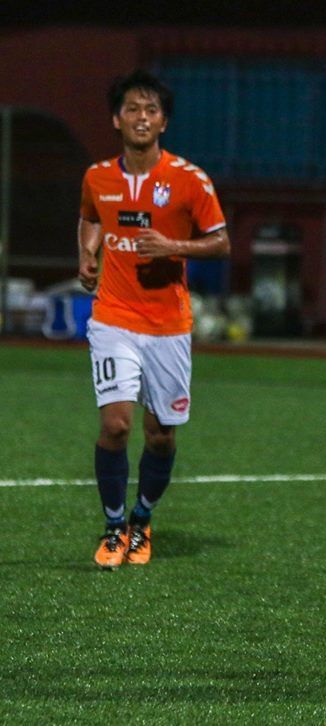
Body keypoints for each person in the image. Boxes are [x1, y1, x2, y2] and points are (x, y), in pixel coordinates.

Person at [78, 69, 230, 570]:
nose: (141, 118)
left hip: (168, 325)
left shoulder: (189, 179)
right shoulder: (98, 176)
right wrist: (87, 253)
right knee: (117, 426)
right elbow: (91, 215)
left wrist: (173, 247)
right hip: (113, 317)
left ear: (163, 121)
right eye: (132, 109)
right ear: (116, 119)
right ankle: (113, 526)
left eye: (151, 110)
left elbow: (221, 241)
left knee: (161, 434)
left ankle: (142, 519)